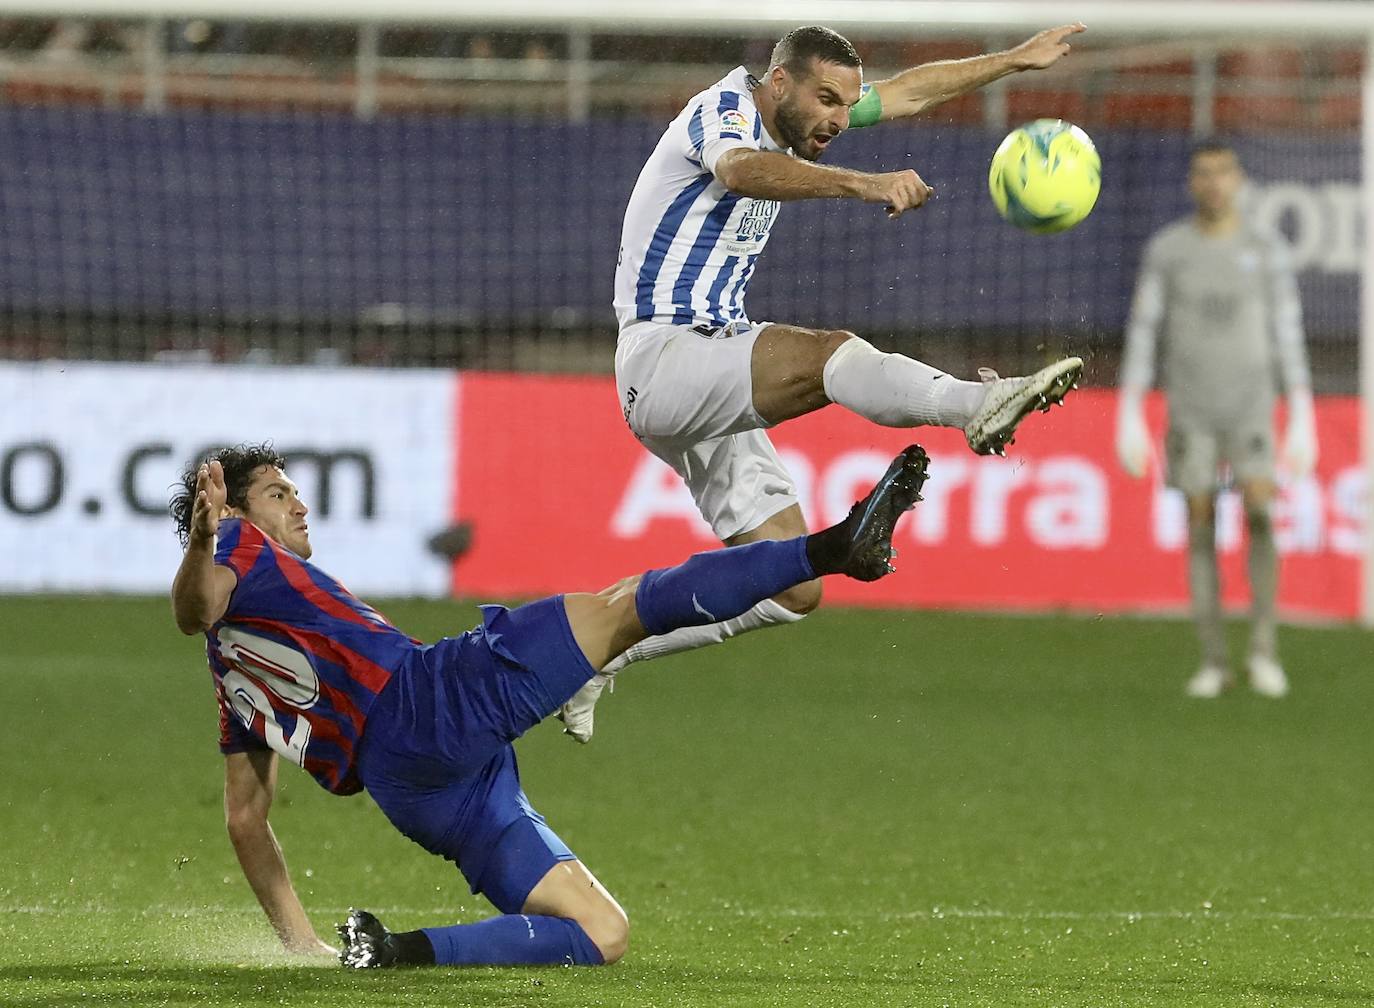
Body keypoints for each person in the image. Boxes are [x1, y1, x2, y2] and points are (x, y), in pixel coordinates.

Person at [169, 440, 929, 968]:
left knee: (601, 933)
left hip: (419, 791)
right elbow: (195, 605)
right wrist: (205, 540)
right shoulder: (237, 546)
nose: (298, 503)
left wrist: (301, 946)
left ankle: (397, 951)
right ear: (235, 513)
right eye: (278, 492)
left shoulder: (235, 674)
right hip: (426, 705)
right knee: (626, 607)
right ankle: (831, 549)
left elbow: (245, 818)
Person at [564, 23, 1088, 741]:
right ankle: (976, 404)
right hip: (663, 356)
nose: (839, 119)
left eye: (846, 105)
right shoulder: (721, 112)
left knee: (789, 586)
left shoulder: (806, 118)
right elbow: (740, 171)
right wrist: (861, 182)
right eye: (826, 100)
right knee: (826, 355)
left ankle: (596, 652)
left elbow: (907, 92)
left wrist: (1014, 61)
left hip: (709, 362)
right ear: (779, 82)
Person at [1115, 140, 1318, 699]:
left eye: (1223, 173)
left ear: (1239, 179)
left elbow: (1287, 331)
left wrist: (1301, 412)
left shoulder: (1266, 247)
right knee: (1200, 522)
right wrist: (1129, 411)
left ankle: (1264, 651)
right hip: (1192, 408)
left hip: (1251, 405)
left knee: (1260, 511)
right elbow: (1145, 330)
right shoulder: (1169, 249)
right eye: (1203, 174)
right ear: (1190, 183)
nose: (1214, 183)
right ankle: (1213, 659)